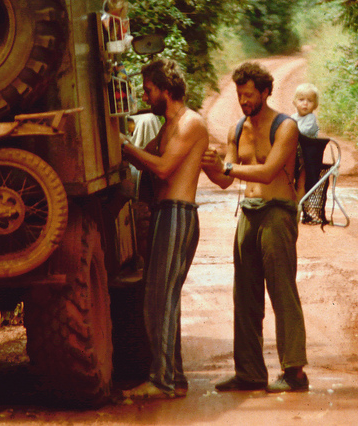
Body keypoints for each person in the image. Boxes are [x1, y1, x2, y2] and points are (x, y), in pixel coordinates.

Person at [201, 62, 310, 394]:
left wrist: (228, 166)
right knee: (244, 296)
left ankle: (295, 373)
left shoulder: (286, 126)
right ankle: (249, 372)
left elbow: (267, 172)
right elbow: (223, 181)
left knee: (281, 292)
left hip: (277, 213)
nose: (243, 100)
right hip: (248, 214)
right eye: (239, 94)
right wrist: (208, 167)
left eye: (249, 94)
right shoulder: (237, 129)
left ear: (265, 92)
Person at [120, 58, 209, 400]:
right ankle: (175, 378)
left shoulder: (189, 123)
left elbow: (162, 168)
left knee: (160, 299)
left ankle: (162, 381)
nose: (146, 96)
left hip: (177, 213)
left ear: (166, 91)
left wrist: (125, 147)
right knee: (161, 298)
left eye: (149, 90)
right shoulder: (167, 125)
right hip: (164, 213)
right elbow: (148, 154)